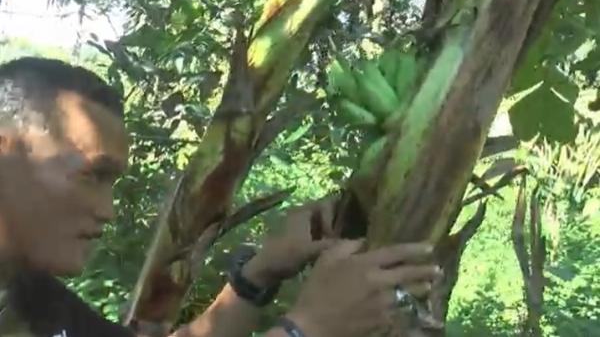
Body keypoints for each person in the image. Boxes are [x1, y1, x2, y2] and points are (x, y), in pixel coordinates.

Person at [0, 57, 442, 337]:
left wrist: (259, 274)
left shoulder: (32, 299)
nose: (107, 211)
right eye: (93, 175)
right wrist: (307, 328)